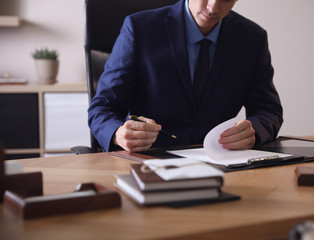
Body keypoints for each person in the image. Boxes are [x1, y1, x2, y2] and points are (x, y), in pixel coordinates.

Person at [88, 0, 283, 153]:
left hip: (222, 164)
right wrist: (118, 133)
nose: (213, 7)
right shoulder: (139, 29)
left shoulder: (252, 39)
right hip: (149, 162)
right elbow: (102, 108)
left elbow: (268, 110)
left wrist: (254, 131)